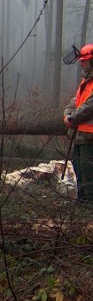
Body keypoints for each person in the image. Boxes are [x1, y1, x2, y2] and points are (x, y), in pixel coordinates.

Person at [64, 43, 93, 203]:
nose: (81, 63)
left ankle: (89, 208)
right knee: (80, 172)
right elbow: (74, 102)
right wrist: (67, 115)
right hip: (80, 137)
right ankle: (83, 205)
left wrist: (73, 117)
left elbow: (88, 107)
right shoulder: (85, 83)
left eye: (85, 60)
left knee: (89, 174)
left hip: (90, 138)